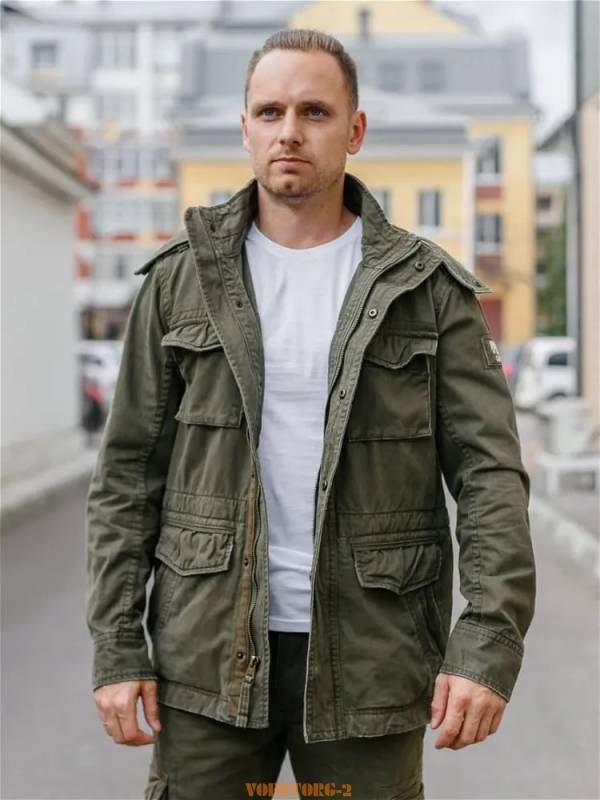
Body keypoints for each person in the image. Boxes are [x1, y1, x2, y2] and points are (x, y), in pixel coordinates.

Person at [85, 29, 537, 800]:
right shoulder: (180, 283)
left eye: (314, 111)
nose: (289, 131)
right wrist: (117, 648)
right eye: (270, 111)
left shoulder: (425, 289)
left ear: (354, 130)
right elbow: (127, 477)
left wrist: (487, 645)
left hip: (372, 657)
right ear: (246, 128)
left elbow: (490, 476)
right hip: (206, 655)